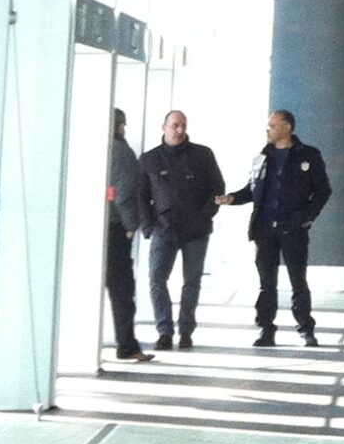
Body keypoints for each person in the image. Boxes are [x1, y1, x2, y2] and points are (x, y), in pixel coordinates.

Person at [222, 108, 332, 348]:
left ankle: (306, 329)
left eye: (272, 126)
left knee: (298, 281)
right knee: (267, 283)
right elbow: (252, 190)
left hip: (293, 228)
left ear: (287, 127)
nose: (268, 130)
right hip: (264, 229)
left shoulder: (308, 155)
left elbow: (323, 190)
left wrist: (307, 216)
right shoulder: (263, 157)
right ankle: (266, 329)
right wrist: (232, 198)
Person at [138, 109, 226, 350]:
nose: (179, 130)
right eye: (175, 125)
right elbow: (141, 196)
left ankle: (186, 330)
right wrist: (149, 226)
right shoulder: (149, 159)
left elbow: (217, 187)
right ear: (164, 127)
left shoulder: (202, 155)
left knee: (192, 281)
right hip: (164, 230)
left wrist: (205, 215)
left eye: (183, 126)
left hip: (196, 231)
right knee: (157, 279)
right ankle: (164, 331)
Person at [104, 110, 150, 364]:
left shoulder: (86, 147)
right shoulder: (121, 152)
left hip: (88, 228)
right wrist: (132, 225)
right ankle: (127, 345)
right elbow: (124, 194)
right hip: (115, 228)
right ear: (120, 126)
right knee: (122, 290)